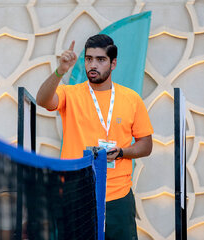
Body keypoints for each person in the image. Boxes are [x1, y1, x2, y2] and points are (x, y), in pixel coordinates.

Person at [36, 34, 153, 239]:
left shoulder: (131, 99)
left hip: (118, 196)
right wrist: (60, 70)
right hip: (76, 193)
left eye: (100, 60)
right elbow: (43, 100)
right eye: (89, 59)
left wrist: (122, 153)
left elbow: (146, 145)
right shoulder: (69, 94)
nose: (93, 65)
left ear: (113, 63)